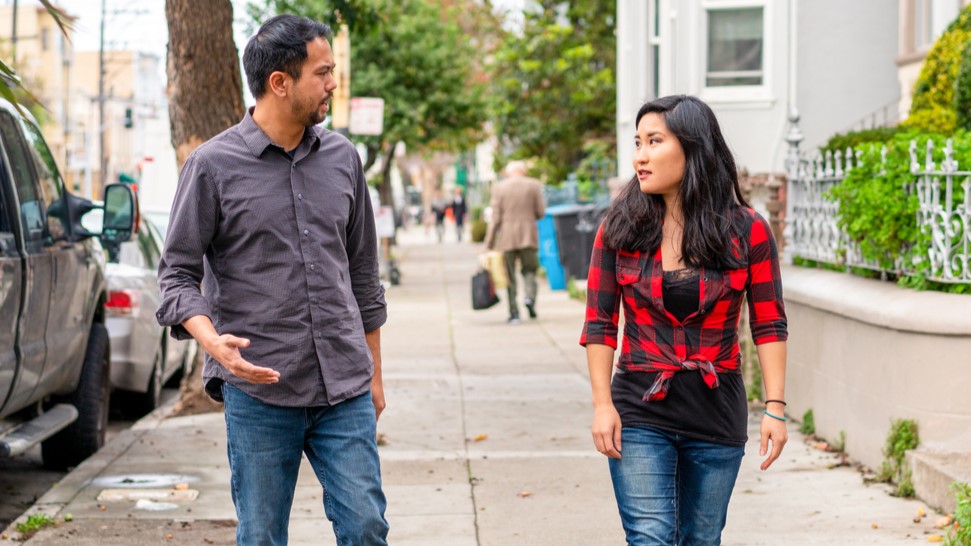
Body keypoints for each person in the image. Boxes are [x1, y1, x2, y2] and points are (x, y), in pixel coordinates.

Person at [156, 15, 389, 546]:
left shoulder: (343, 159)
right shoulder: (212, 166)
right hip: (259, 391)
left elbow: (363, 277)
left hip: (344, 385)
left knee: (367, 527)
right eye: (322, 72)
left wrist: (375, 375)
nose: (332, 83)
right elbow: (175, 276)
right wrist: (213, 343)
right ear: (280, 82)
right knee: (261, 535)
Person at [580, 95, 788, 546]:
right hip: (638, 406)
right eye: (638, 142)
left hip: (716, 410)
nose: (640, 155)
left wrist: (775, 407)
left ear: (692, 148)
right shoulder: (619, 227)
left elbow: (769, 322)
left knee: (701, 538)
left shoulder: (747, 230)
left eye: (654, 141)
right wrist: (601, 404)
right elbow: (599, 322)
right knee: (650, 536)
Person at [484, 160, 545, 323]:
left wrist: (488, 243)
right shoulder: (533, 185)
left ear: (509, 172)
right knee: (530, 270)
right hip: (528, 235)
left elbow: (495, 218)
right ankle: (530, 298)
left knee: (509, 276)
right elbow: (541, 212)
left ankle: (514, 313)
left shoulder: (499, 188)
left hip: (507, 237)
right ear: (523, 171)